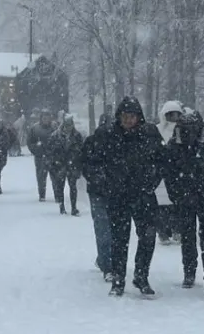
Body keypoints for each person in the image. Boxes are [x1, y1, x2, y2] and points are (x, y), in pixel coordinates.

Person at [98, 96, 163, 297]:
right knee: (119, 239)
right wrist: (104, 182)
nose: (128, 120)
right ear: (119, 117)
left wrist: (152, 181)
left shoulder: (150, 134)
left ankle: (141, 275)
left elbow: (162, 160)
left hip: (143, 195)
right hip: (118, 195)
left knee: (148, 237)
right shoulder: (108, 135)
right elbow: (92, 161)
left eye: (132, 116)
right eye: (125, 116)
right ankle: (118, 279)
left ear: (138, 117)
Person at [165, 110, 204, 294]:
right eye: (186, 129)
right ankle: (190, 272)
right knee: (189, 236)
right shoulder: (175, 146)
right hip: (187, 197)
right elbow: (169, 173)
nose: (189, 134)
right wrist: (176, 194)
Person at [82, 114, 115, 281]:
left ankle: (105, 260)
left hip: (102, 191)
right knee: (108, 229)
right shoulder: (116, 142)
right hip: (104, 191)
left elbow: (84, 165)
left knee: (104, 229)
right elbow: (85, 165)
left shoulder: (92, 142)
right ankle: (107, 263)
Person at [155, 101, 186, 243]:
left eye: (176, 115)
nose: (174, 118)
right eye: (171, 115)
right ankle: (163, 232)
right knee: (161, 207)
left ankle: (177, 230)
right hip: (160, 173)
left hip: (176, 173)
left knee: (176, 205)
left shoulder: (183, 130)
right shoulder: (157, 130)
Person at [46, 115, 84, 216]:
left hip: (72, 163)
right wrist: (52, 163)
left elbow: (82, 151)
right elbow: (50, 151)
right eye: (67, 125)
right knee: (60, 186)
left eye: (70, 125)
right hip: (60, 164)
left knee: (73, 186)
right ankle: (62, 206)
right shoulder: (55, 135)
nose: (68, 127)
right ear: (63, 125)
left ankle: (73, 207)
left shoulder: (77, 136)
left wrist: (79, 163)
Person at [27, 112, 57, 202]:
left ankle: (58, 195)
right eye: (44, 118)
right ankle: (42, 195)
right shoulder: (35, 128)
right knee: (41, 177)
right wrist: (36, 150)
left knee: (55, 177)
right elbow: (30, 142)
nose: (46, 120)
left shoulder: (55, 128)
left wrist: (56, 151)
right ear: (41, 119)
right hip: (40, 157)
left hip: (53, 157)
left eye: (47, 118)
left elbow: (59, 140)